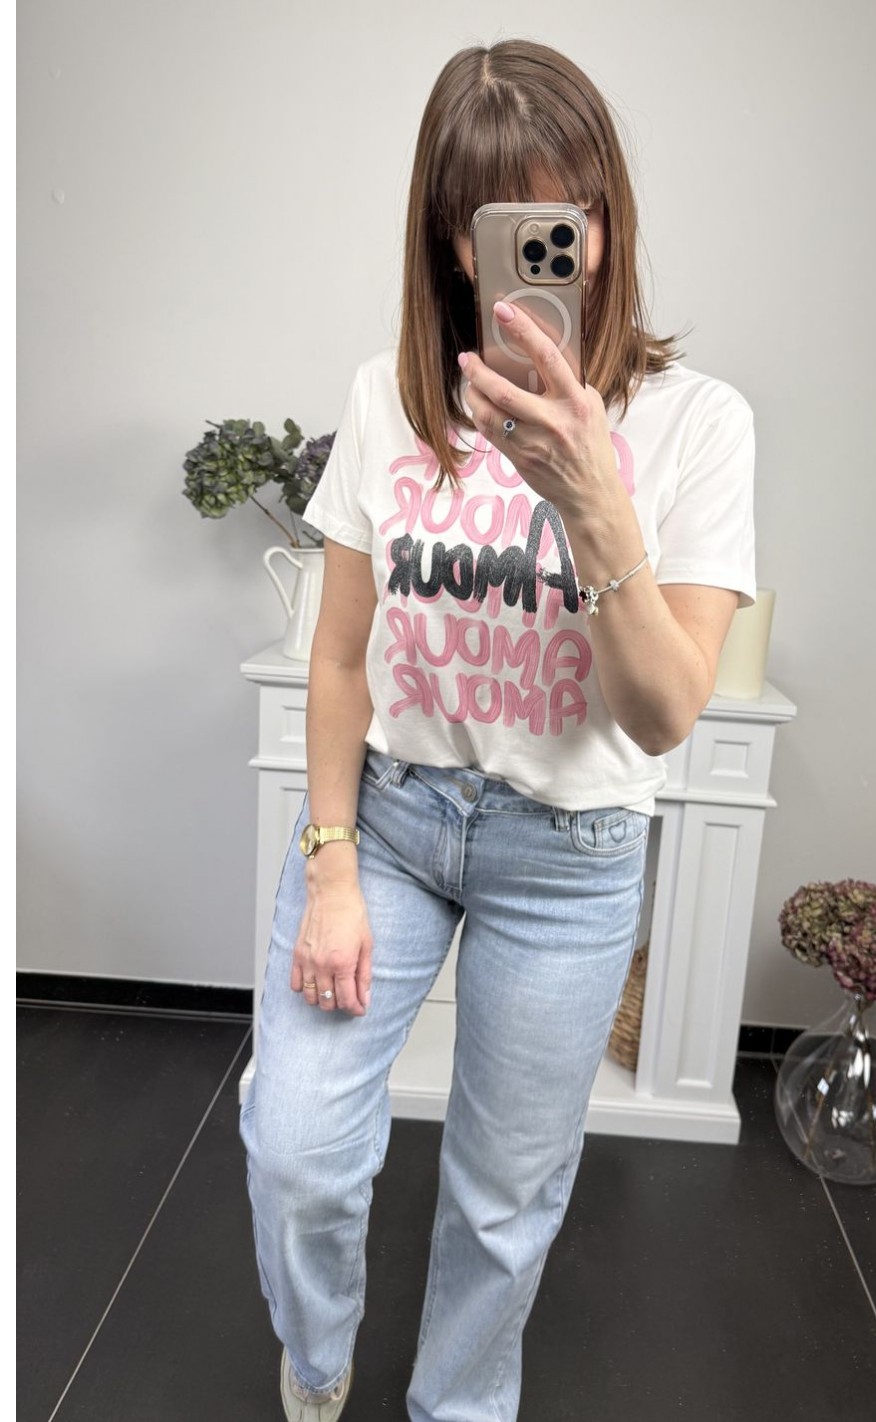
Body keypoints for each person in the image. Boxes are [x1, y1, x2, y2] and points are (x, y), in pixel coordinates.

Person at [240, 37, 756, 1422]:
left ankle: (456, 1405)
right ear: (456, 246)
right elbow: (338, 656)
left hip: (570, 856)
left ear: (606, 219)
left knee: (502, 1199)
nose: (549, 253)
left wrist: (592, 497)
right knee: (295, 1146)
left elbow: (663, 710)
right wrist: (331, 863)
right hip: (393, 821)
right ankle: (317, 1357)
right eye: (508, 225)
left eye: (569, 216)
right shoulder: (388, 398)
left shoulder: (698, 426)